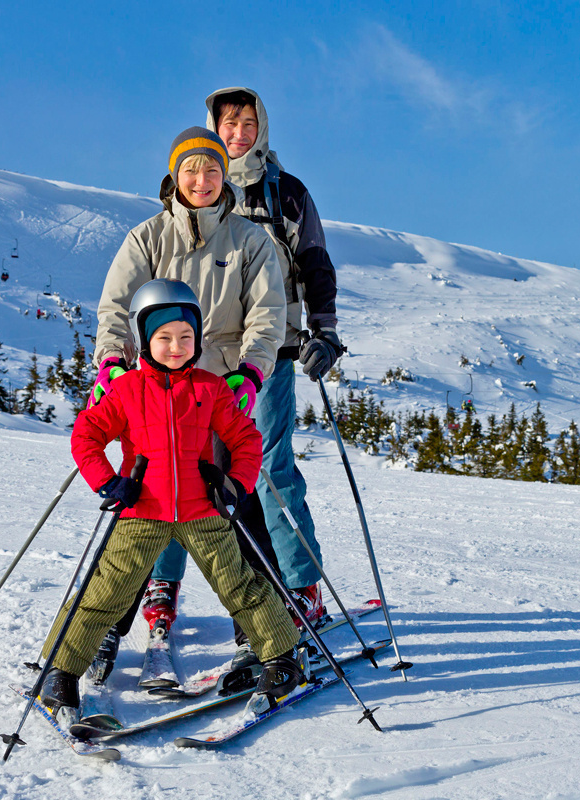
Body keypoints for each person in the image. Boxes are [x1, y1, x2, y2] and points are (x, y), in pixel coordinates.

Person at [39, 279, 305, 717]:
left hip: (203, 510)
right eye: (164, 338)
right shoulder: (125, 391)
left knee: (241, 585)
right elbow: (86, 434)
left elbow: (246, 440)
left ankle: (281, 657)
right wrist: (108, 483)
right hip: (143, 510)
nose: (176, 346)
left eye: (186, 336)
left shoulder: (210, 388)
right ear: (144, 339)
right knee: (105, 592)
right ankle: (60, 671)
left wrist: (234, 484)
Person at [87, 127, 287, 676]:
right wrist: (111, 362)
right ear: (175, 176)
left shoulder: (250, 240)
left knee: (238, 503)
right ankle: (104, 628)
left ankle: (261, 629)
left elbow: (268, 316)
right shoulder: (147, 238)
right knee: (140, 506)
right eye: (191, 170)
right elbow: (115, 308)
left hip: (220, 388)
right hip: (152, 392)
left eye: (213, 169)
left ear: (227, 175)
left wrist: (250, 373)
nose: (203, 180)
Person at [203, 87, 342, 637]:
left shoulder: (287, 193)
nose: (238, 133)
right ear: (212, 126)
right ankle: (235, 592)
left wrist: (325, 333)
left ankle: (302, 588)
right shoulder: (198, 185)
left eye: (248, 121)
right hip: (206, 353)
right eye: (228, 122)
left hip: (272, 349)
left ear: (263, 125)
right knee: (198, 474)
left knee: (267, 468)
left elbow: (314, 262)